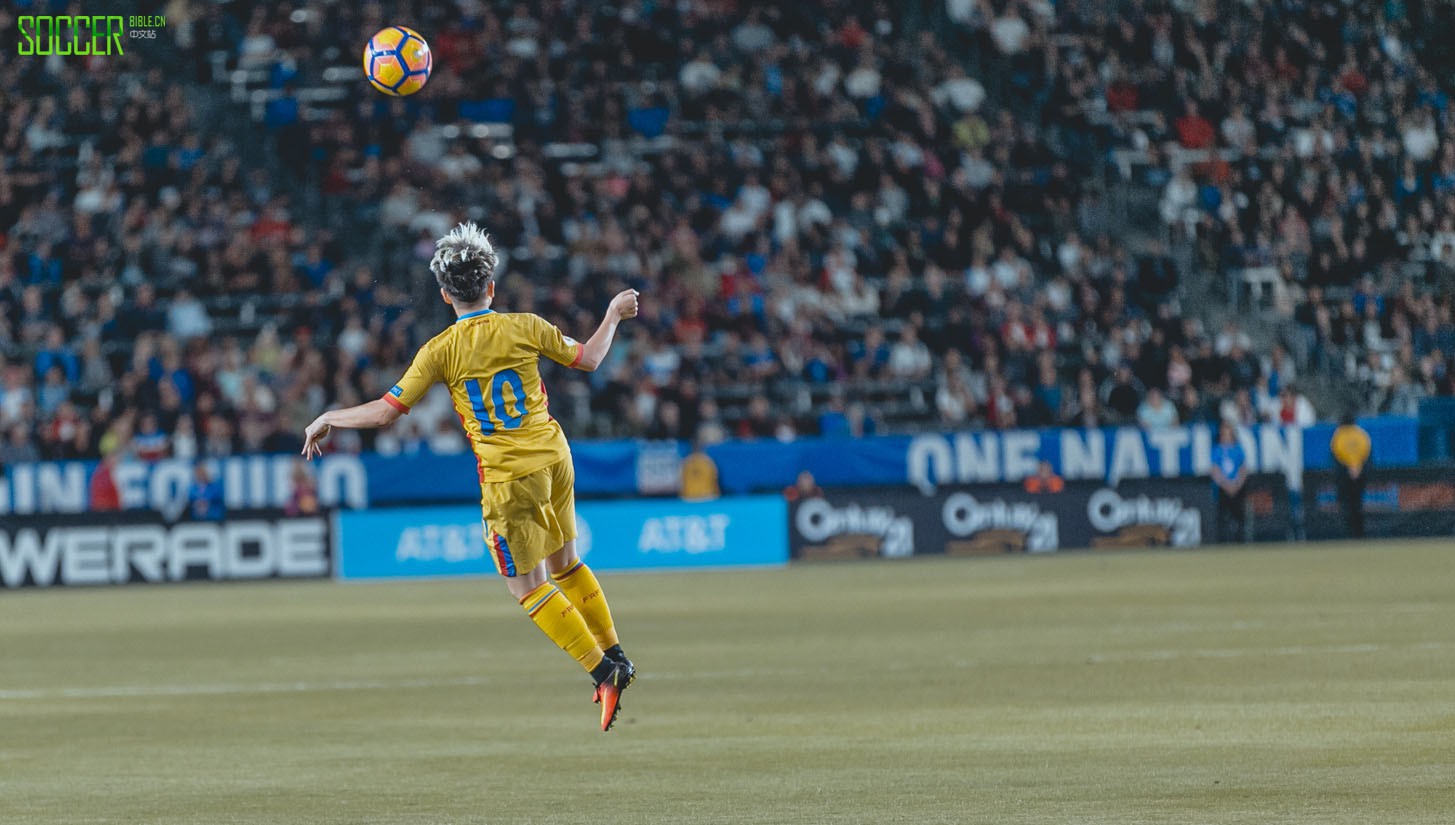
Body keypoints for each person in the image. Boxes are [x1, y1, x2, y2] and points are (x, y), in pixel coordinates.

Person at [300, 223, 639, 731]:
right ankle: (618, 653)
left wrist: (330, 416)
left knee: (527, 587)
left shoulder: (440, 350)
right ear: (492, 287)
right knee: (566, 562)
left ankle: (602, 670)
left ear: (444, 294)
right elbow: (589, 358)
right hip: (554, 456)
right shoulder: (525, 325)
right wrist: (612, 314)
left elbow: (386, 412)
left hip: (507, 477)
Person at [1330, 413, 1371, 538]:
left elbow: (1335, 457)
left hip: (1344, 475)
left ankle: (1348, 534)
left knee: (1346, 504)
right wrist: (1358, 468)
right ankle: (1360, 533)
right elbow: (1367, 454)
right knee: (1357, 504)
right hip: (1359, 473)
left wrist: (1348, 468)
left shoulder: (1338, 436)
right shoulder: (1361, 434)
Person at [1210, 421, 1248, 543]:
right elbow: (1215, 470)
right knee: (1222, 516)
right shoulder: (1217, 450)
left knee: (1239, 515)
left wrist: (1237, 485)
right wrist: (1226, 484)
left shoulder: (1238, 449)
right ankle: (1222, 541)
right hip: (1223, 488)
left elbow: (1243, 469)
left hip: (1237, 487)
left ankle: (1240, 540)